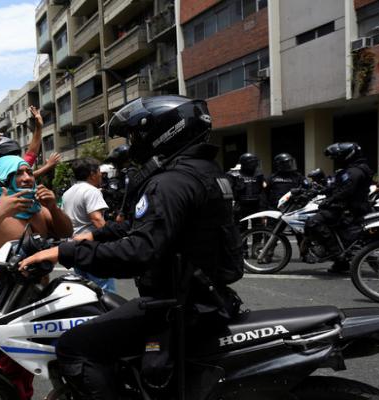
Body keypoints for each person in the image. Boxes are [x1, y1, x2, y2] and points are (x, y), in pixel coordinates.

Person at [19, 96, 243, 399]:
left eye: (136, 134)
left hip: (175, 307)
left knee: (74, 346)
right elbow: (154, 225)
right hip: (205, 296)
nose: (134, 142)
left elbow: (140, 251)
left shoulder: (171, 182)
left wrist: (66, 252)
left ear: (164, 132)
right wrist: (93, 237)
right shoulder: (204, 172)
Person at [0, 155, 73, 399]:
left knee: (34, 365)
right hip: (5, 301)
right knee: (8, 373)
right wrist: (0, 213)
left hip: (38, 298)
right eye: (19, 173)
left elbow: (65, 232)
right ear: (1, 180)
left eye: (29, 172)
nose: (28, 177)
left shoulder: (36, 207)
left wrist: (53, 207)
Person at [305, 142, 372, 273]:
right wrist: (320, 191)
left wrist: (329, 200)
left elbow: (347, 191)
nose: (335, 160)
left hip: (351, 209)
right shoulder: (353, 169)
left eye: (337, 157)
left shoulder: (355, 171)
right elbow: (337, 187)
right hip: (349, 206)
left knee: (314, 222)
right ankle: (341, 263)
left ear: (347, 156)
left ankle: (337, 254)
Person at [61, 157, 116, 293]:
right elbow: (96, 219)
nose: (101, 176)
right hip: (92, 249)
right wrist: (114, 240)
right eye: (99, 172)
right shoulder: (91, 190)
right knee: (105, 293)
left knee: (85, 292)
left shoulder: (67, 193)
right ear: (92, 174)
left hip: (75, 248)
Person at [227, 152, 266, 222]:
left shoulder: (258, 174)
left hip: (256, 204)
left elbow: (262, 190)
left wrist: (263, 206)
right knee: (240, 226)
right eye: (252, 162)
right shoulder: (233, 174)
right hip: (240, 204)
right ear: (244, 163)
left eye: (255, 162)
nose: (255, 165)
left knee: (258, 226)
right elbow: (229, 190)